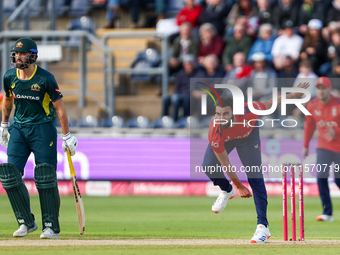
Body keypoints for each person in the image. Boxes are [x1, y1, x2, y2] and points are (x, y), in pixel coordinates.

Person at [202, 82, 309, 243]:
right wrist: (238, 186)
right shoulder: (216, 129)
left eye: (226, 114)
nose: (222, 118)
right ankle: (226, 190)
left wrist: (293, 96)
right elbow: (225, 163)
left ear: (234, 111)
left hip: (248, 137)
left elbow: (272, 102)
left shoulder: (250, 110)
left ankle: (263, 227)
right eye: (218, 114)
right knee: (208, 166)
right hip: (227, 139)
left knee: (255, 178)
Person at [0, 38, 78, 239]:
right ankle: (26, 222)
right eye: (16, 54)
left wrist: (67, 136)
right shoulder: (9, 76)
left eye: (22, 53)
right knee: (10, 175)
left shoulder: (45, 78)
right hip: (19, 129)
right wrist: (4, 125)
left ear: (33, 56)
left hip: (43, 129)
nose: (18, 57)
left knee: (45, 176)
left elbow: (60, 109)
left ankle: (50, 226)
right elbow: (8, 100)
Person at [303, 76, 340, 222]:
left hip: (339, 148)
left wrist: (336, 131)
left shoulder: (338, 104)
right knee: (321, 177)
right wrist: (305, 145)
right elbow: (309, 126)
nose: (321, 91)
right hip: (323, 147)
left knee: (338, 180)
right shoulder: (312, 105)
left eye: (324, 88)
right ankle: (327, 213)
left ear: (330, 89)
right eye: (318, 88)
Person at [162, 54, 197, 121]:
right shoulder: (180, 73)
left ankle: (174, 121)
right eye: (187, 64)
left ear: (193, 64)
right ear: (184, 65)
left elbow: (195, 89)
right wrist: (176, 94)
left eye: (190, 63)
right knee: (165, 98)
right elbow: (177, 88)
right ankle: (164, 119)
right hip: (180, 95)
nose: (189, 65)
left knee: (176, 98)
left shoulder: (198, 74)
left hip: (189, 96)